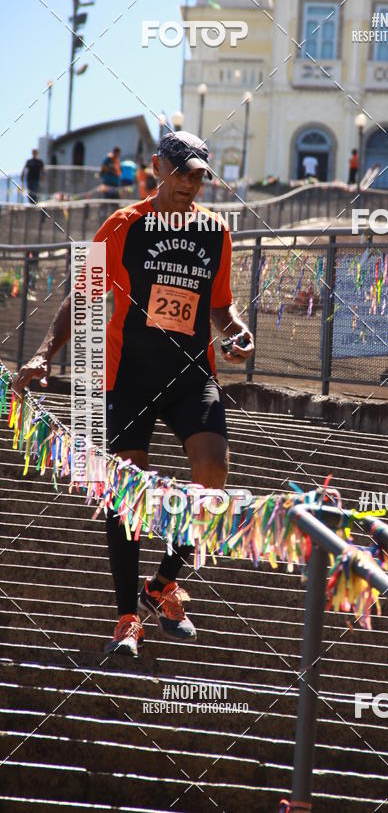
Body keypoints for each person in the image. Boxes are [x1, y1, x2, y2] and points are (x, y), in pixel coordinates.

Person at [14, 130, 255, 658]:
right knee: (127, 492)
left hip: (192, 373)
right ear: (156, 167)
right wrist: (43, 355)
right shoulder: (124, 226)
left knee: (213, 471)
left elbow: (220, 305)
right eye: (182, 172)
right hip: (130, 376)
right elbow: (82, 296)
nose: (190, 184)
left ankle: (164, 582)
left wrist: (236, 330)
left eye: (198, 176)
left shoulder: (215, 231)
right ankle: (127, 616)